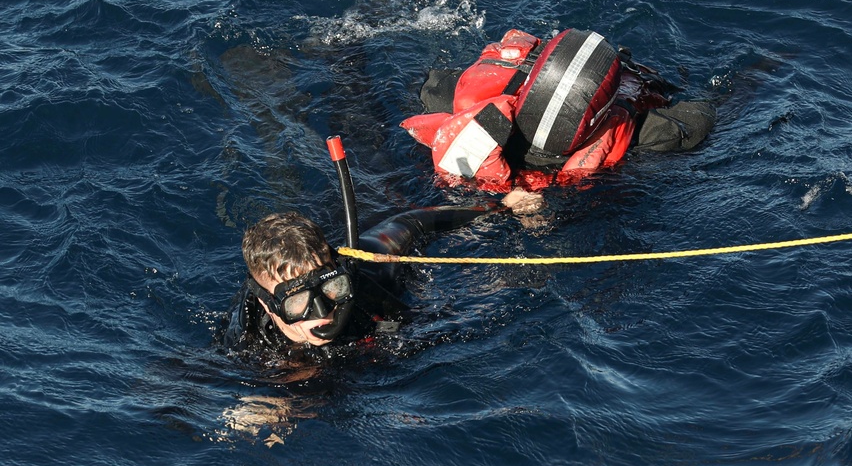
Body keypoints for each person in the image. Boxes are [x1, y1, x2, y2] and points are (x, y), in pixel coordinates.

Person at [400, 28, 717, 208]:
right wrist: (501, 198)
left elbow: (701, 117)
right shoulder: (448, 95)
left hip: (633, 81)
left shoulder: (649, 131)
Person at [223, 206, 487, 360]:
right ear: (268, 305)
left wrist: (498, 208)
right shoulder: (249, 337)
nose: (323, 311)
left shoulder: (365, 282)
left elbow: (411, 223)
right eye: (298, 302)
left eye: (331, 288)